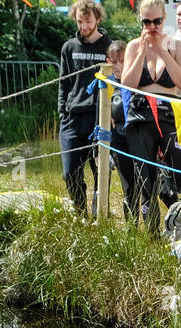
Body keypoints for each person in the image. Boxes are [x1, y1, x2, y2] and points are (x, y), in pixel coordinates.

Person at [120, 0, 181, 231]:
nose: (152, 26)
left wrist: (162, 52)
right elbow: (127, 85)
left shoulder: (176, 46)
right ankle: (152, 234)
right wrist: (142, 52)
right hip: (141, 114)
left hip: (170, 113)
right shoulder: (133, 46)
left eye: (157, 21)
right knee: (145, 180)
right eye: (146, 21)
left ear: (164, 19)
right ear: (140, 21)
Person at [58, 0, 113, 215]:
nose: (84, 26)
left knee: (102, 171)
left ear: (97, 19)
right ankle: (80, 212)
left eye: (88, 21)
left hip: (100, 117)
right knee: (69, 172)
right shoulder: (69, 47)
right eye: (80, 22)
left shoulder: (109, 46)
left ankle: (98, 213)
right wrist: (62, 111)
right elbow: (63, 82)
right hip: (73, 117)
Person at [106, 39, 139, 220]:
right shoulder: (106, 84)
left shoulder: (137, 81)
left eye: (122, 61)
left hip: (140, 138)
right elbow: (102, 118)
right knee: (129, 187)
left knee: (149, 186)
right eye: (114, 61)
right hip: (119, 141)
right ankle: (131, 230)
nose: (118, 66)